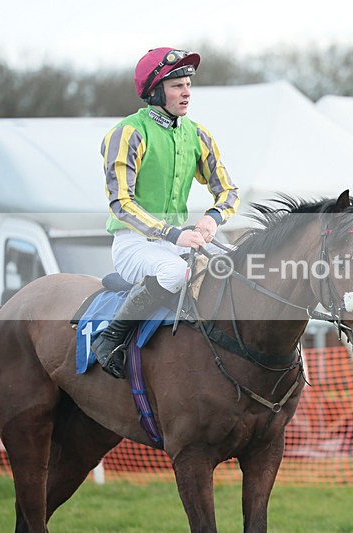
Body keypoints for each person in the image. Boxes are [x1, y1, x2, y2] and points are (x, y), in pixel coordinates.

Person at [91, 47, 239, 379]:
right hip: (134, 244)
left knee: (237, 262)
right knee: (175, 273)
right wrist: (172, 234)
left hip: (177, 242)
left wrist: (212, 218)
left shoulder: (198, 134)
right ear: (155, 92)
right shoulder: (128, 133)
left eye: (188, 85)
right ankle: (110, 338)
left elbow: (229, 191)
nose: (186, 92)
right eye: (177, 86)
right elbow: (121, 203)